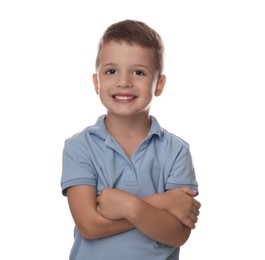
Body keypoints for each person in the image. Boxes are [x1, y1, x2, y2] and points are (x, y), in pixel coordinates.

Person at [61, 19, 201, 260]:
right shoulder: (79, 147)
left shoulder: (176, 150)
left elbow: (178, 234)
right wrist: (162, 202)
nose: (123, 82)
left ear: (159, 84)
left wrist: (129, 205)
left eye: (138, 72)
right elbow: (90, 226)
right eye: (111, 71)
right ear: (96, 82)